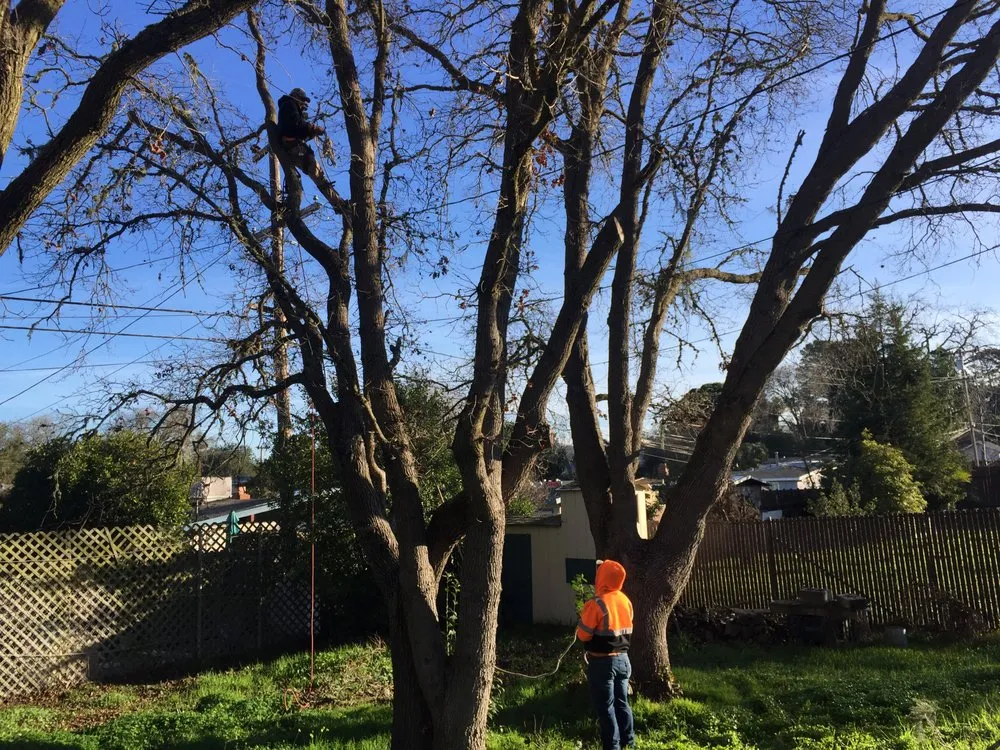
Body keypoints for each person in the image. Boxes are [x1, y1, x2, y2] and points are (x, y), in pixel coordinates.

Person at [576, 559, 636, 750]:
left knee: (606, 708)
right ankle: (629, 743)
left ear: (601, 577)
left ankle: (612, 747)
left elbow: (583, 634)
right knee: (622, 704)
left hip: (602, 664)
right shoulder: (625, 600)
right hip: (624, 661)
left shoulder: (597, 603)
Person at [277, 87, 325, 178]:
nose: (304, 104)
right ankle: (324, 185)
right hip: (292, 144)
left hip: (291, 146)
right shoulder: (290, 104)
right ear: (295, 96)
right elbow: (296, 125)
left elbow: (299, 129)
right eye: (302, 100)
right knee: (311, 164)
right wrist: (312, 128)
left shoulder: (289, 108)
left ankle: (322, 184)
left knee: (308, 166)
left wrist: (311, 132)